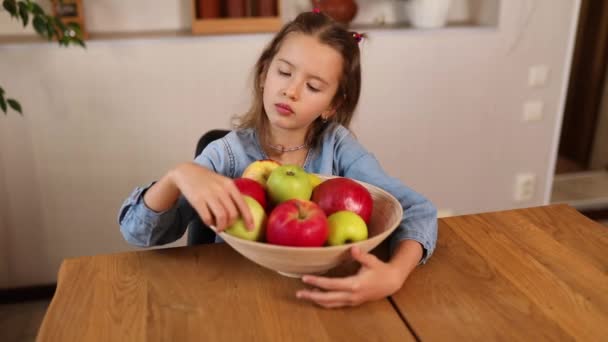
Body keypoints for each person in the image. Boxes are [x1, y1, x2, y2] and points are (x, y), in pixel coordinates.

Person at [118, 10, 437, 309]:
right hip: (235, 298)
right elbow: (139, 233)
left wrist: (394, 275)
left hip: (319, 298)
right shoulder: (228, 155)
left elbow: (416, 209)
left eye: (313, 86)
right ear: (263, 74)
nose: (291, 91)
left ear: (332, 105)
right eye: (284, 72)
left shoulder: (337, 148)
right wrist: (178, 175)